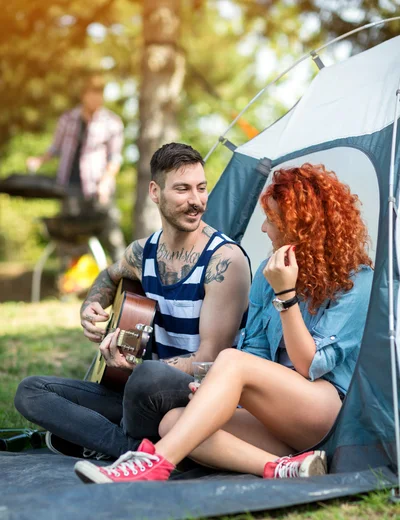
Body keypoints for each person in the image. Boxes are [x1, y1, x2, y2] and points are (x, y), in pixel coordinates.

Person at [72, 163, 374, 484]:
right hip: (279, 419)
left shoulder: (357, 283)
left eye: (271, 221)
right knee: (174, 423)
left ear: (301, 227)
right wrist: (218, 389)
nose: (263, 229)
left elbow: (310, 365)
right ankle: (284, 468)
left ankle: (152, 464)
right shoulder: (266, 274)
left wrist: (286, 295)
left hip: (329, 416)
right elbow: (255, 352)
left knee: (230, 361)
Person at [14, 143, 251, 460]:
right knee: (31, 391)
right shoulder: (142, 252)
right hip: (140, 395)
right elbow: (109, 276)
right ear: (155, 192)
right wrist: (91, 307)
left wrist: (139, 369)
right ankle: (133, 449)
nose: (196, 201)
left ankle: (108, 438)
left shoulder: (224, 260)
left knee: (147, 378)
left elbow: (210, 360)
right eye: (182, 189)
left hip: (196, 397)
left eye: (201, 188)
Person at [26, 73, 126, 262]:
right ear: (83, 95)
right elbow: (55, 148)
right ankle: (70, 284)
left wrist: (105, 182)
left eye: (100, 93)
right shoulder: (67, 119)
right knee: (69, 238)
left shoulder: (112, 122)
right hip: (69, 187)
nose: (96, 97)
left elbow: (115, 158)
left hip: (98, 189)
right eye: (92, 92)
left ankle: (126, 280)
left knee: (111, 235)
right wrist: (39, 160)